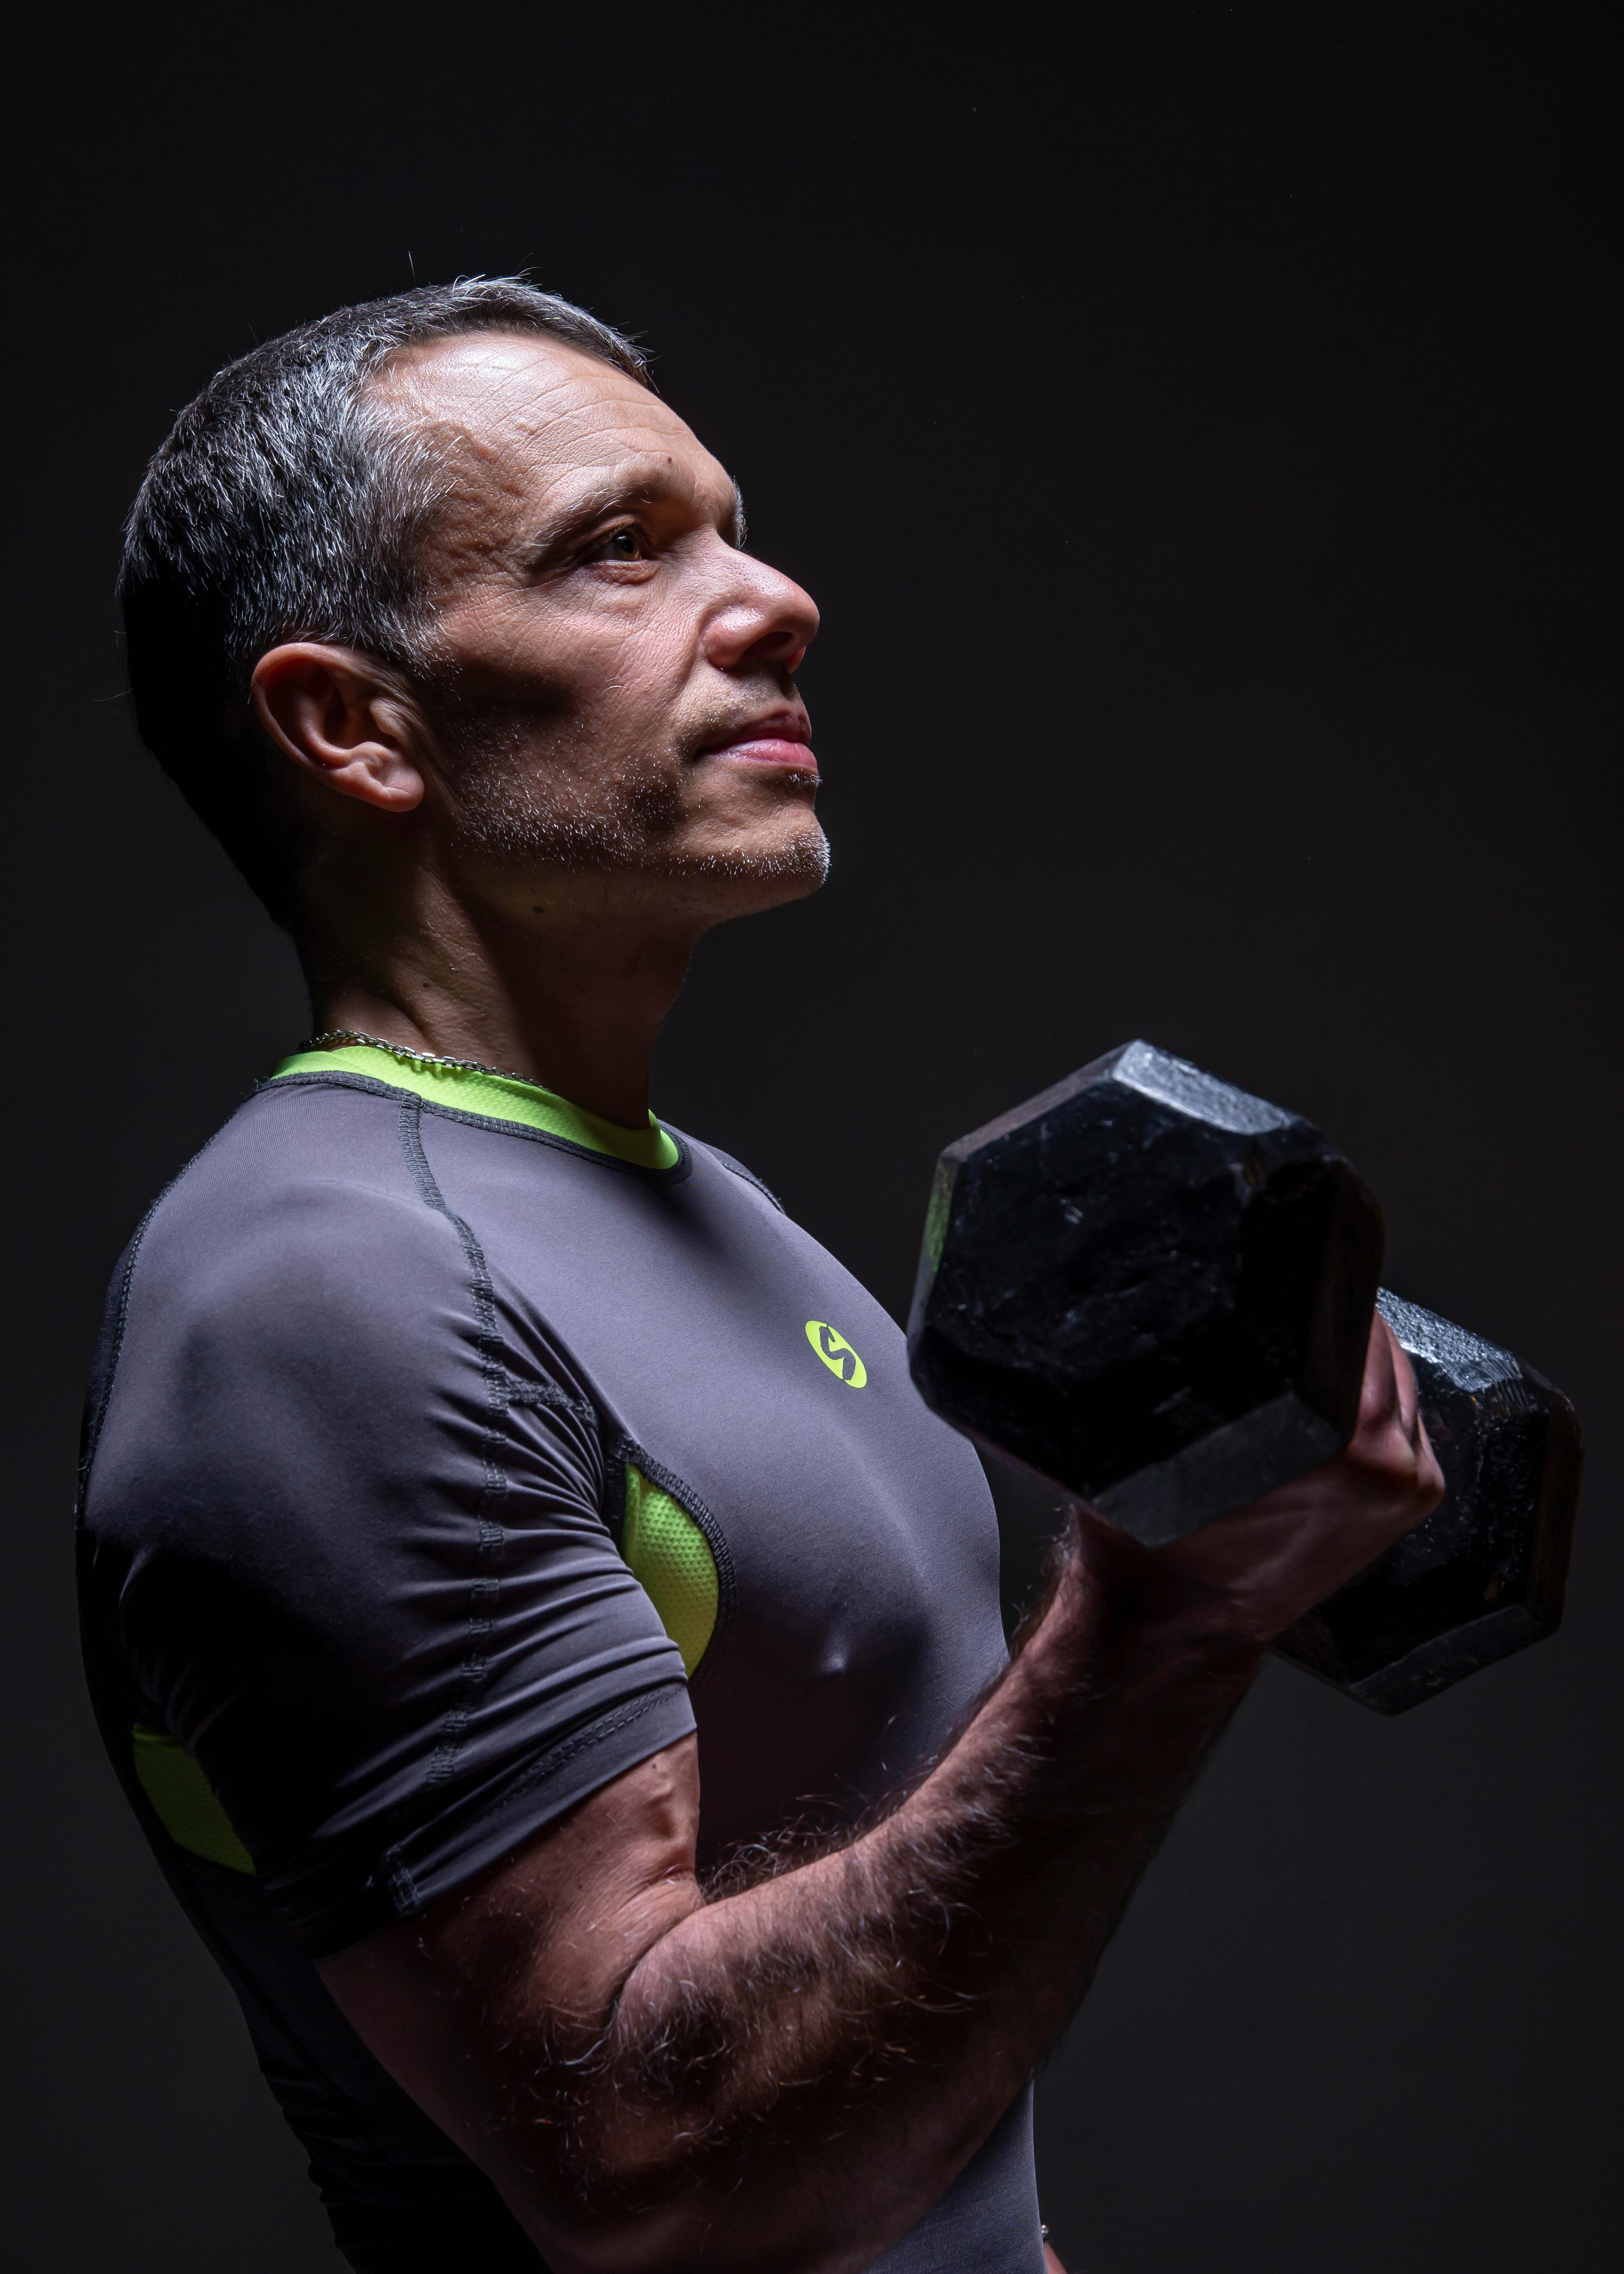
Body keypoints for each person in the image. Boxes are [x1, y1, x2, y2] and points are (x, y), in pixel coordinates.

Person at [78, 278, 1442, 2274]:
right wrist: (1160, 1624)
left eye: (730, 522)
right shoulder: (327, 1294)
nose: (777, 597)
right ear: (353, 724)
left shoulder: (704, 1202)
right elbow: (646, 2171)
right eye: (618, 550)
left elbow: (917, 2107)